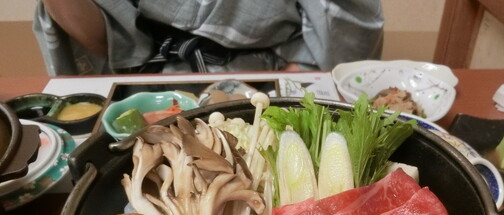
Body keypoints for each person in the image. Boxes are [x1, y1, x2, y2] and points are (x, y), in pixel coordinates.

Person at [33, 0, 384, 75]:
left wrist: (296, 77)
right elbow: (104, 43)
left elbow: (344, 21)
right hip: (150, 76)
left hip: (267, 72)